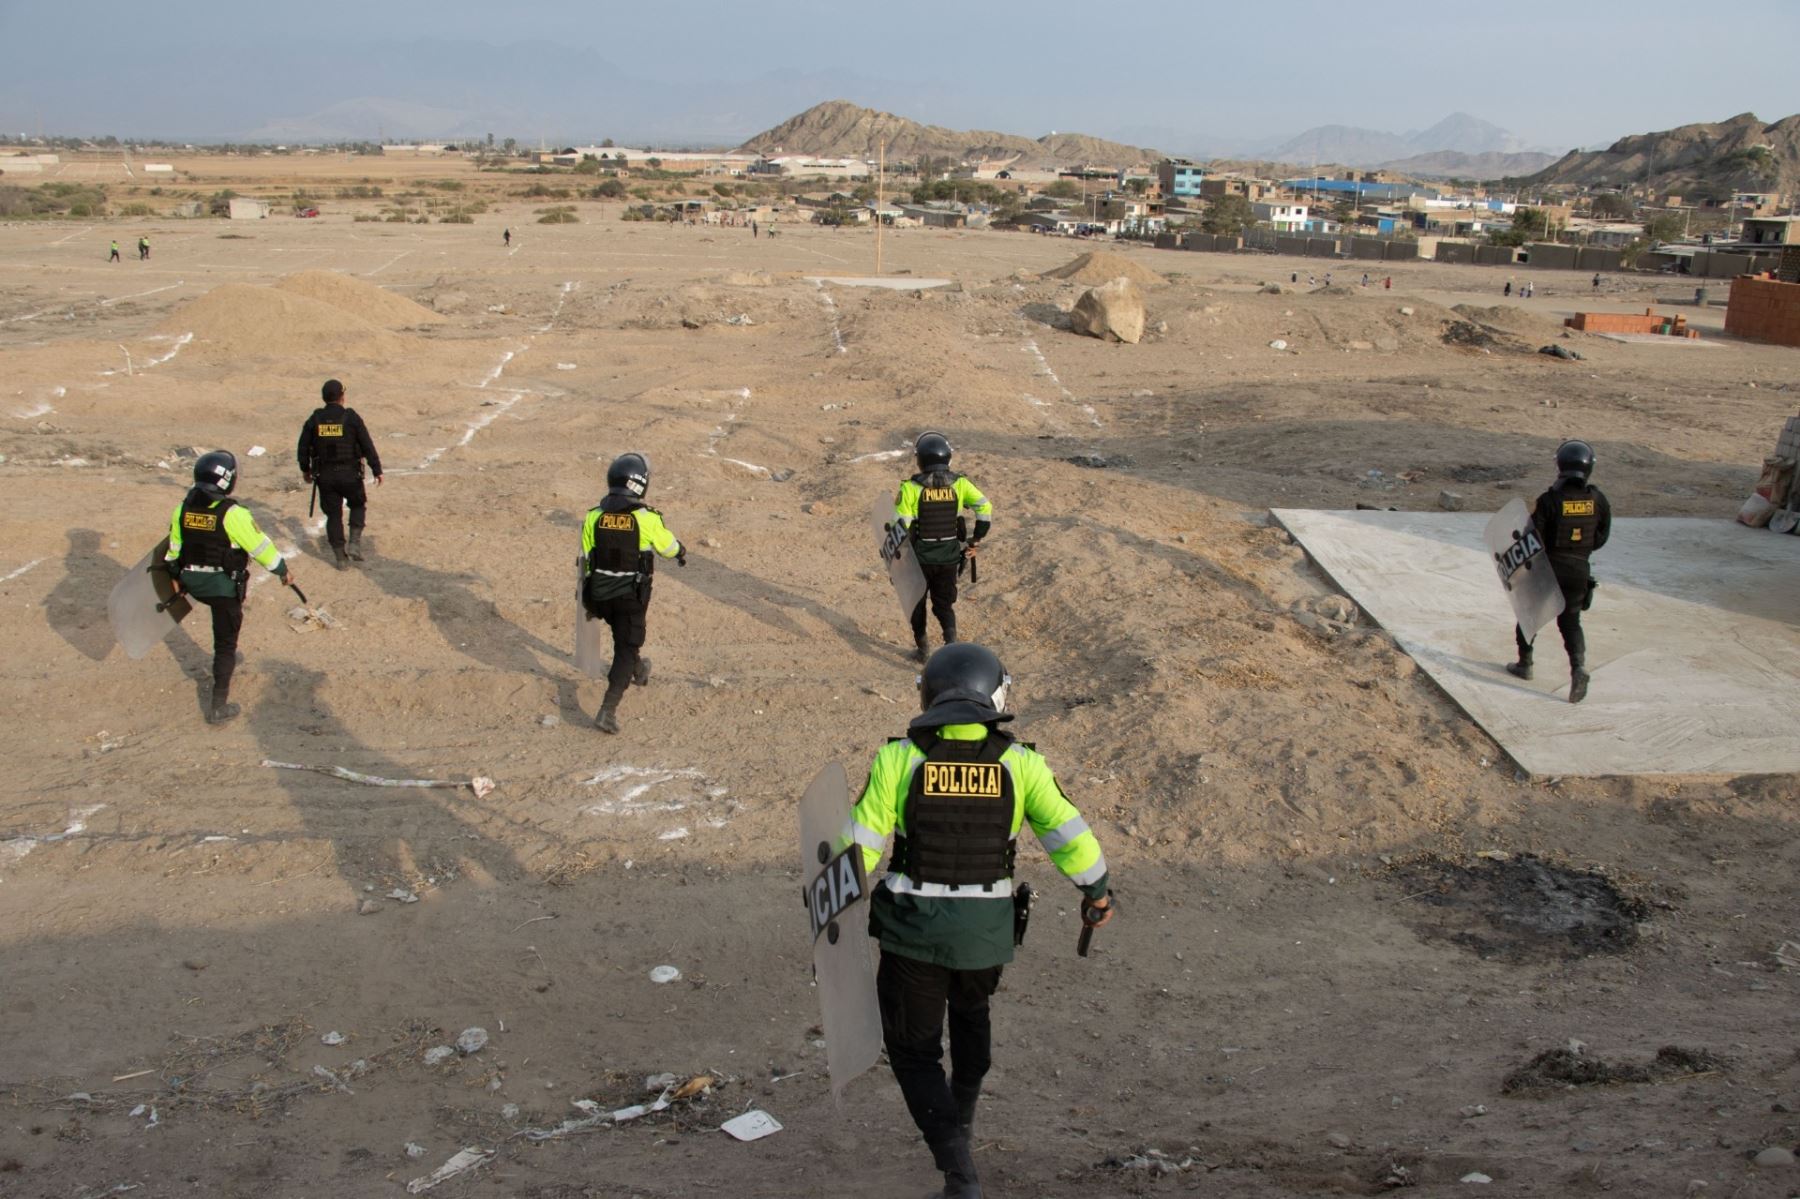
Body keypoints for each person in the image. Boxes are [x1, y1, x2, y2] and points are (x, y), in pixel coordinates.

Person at [843, 642, 1113, 1199]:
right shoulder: (1023, 763)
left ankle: (957, 1167)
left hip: (911, 934)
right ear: (995, 695)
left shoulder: (899, 758)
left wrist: (826, 904)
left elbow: (859, 852)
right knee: (971, 1012)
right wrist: (1097, 895)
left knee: (914, 1051)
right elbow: (1073, 839)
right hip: (986, 935)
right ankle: (962, 1121)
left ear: (930, 694)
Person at [162, 451, 296, 725]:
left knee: (223, 637)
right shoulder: (234, 514)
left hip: (192, 583)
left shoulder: (182, 509)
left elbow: (173, 549)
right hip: (222, 590)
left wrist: (177, 578)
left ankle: (224, 670)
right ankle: (217, 707)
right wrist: (282, 571)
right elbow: (261, 549)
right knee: (224, 645)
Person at [581, 452, 685, 733]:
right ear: (640, 485)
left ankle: (639, 670)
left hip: (599, 595)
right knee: (626, 647)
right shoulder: (647, 519)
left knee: (623, 635)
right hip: (630, 596)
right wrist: (680, 550)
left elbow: (586, 557)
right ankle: (608, 709)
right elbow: (668, 548)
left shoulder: (593, 516)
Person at [1506, 440, 1611, 703]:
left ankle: (1525, 663)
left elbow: (1532, 538)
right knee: (1571, 622)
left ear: (1560, 466)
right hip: (1579, 570)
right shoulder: (1597, 500)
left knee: (1529, 615)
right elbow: (1600, 538)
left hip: (1549, 569)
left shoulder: (1549, 500)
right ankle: (1578, 669)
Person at [894, 432, 992, 663]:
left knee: (917, 605)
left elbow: (900, 527)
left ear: (920, 460)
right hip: (949, 558)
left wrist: (896, 559)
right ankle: (951, 646)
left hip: (919, 561)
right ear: (948, 458)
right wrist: (976, 539)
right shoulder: (961, 484)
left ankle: (922, 650)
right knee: (944, 605)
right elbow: (985, 509)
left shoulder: (910, 488)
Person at [296, 379, 383, 569]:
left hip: (326, 476)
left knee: (333, 515)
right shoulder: (350, 418)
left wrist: (305, 470)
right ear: (342, 397)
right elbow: (367, 444)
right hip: (350, 474)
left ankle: (340, 558)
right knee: (358, 504)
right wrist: (376, 469)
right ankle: (354, 543)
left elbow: (302, 447)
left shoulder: (315, 419)